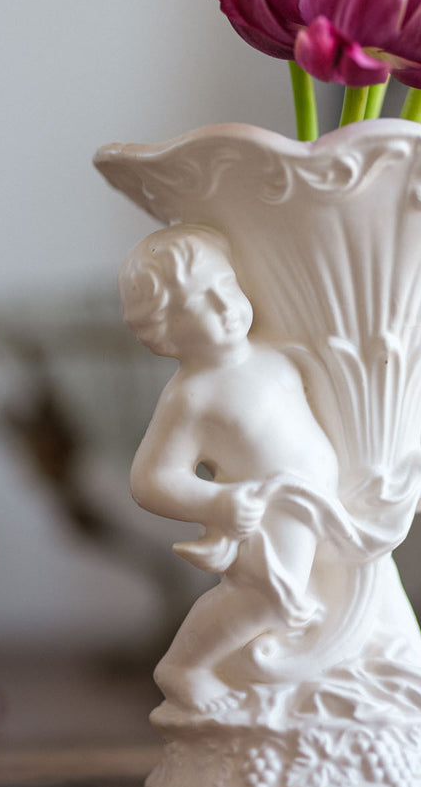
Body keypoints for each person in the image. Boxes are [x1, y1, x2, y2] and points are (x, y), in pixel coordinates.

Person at [120, 225, 341, 711]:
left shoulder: (275, 355)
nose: (225, 305)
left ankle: (287, 673)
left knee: (310, 591)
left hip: (314, 503)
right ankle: (185, 667)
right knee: (264, 599)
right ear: (163, 327)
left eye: (226, 285)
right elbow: (150, 479)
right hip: (268, 513)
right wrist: (218, 502)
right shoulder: (192, 395)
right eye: (200, 301)